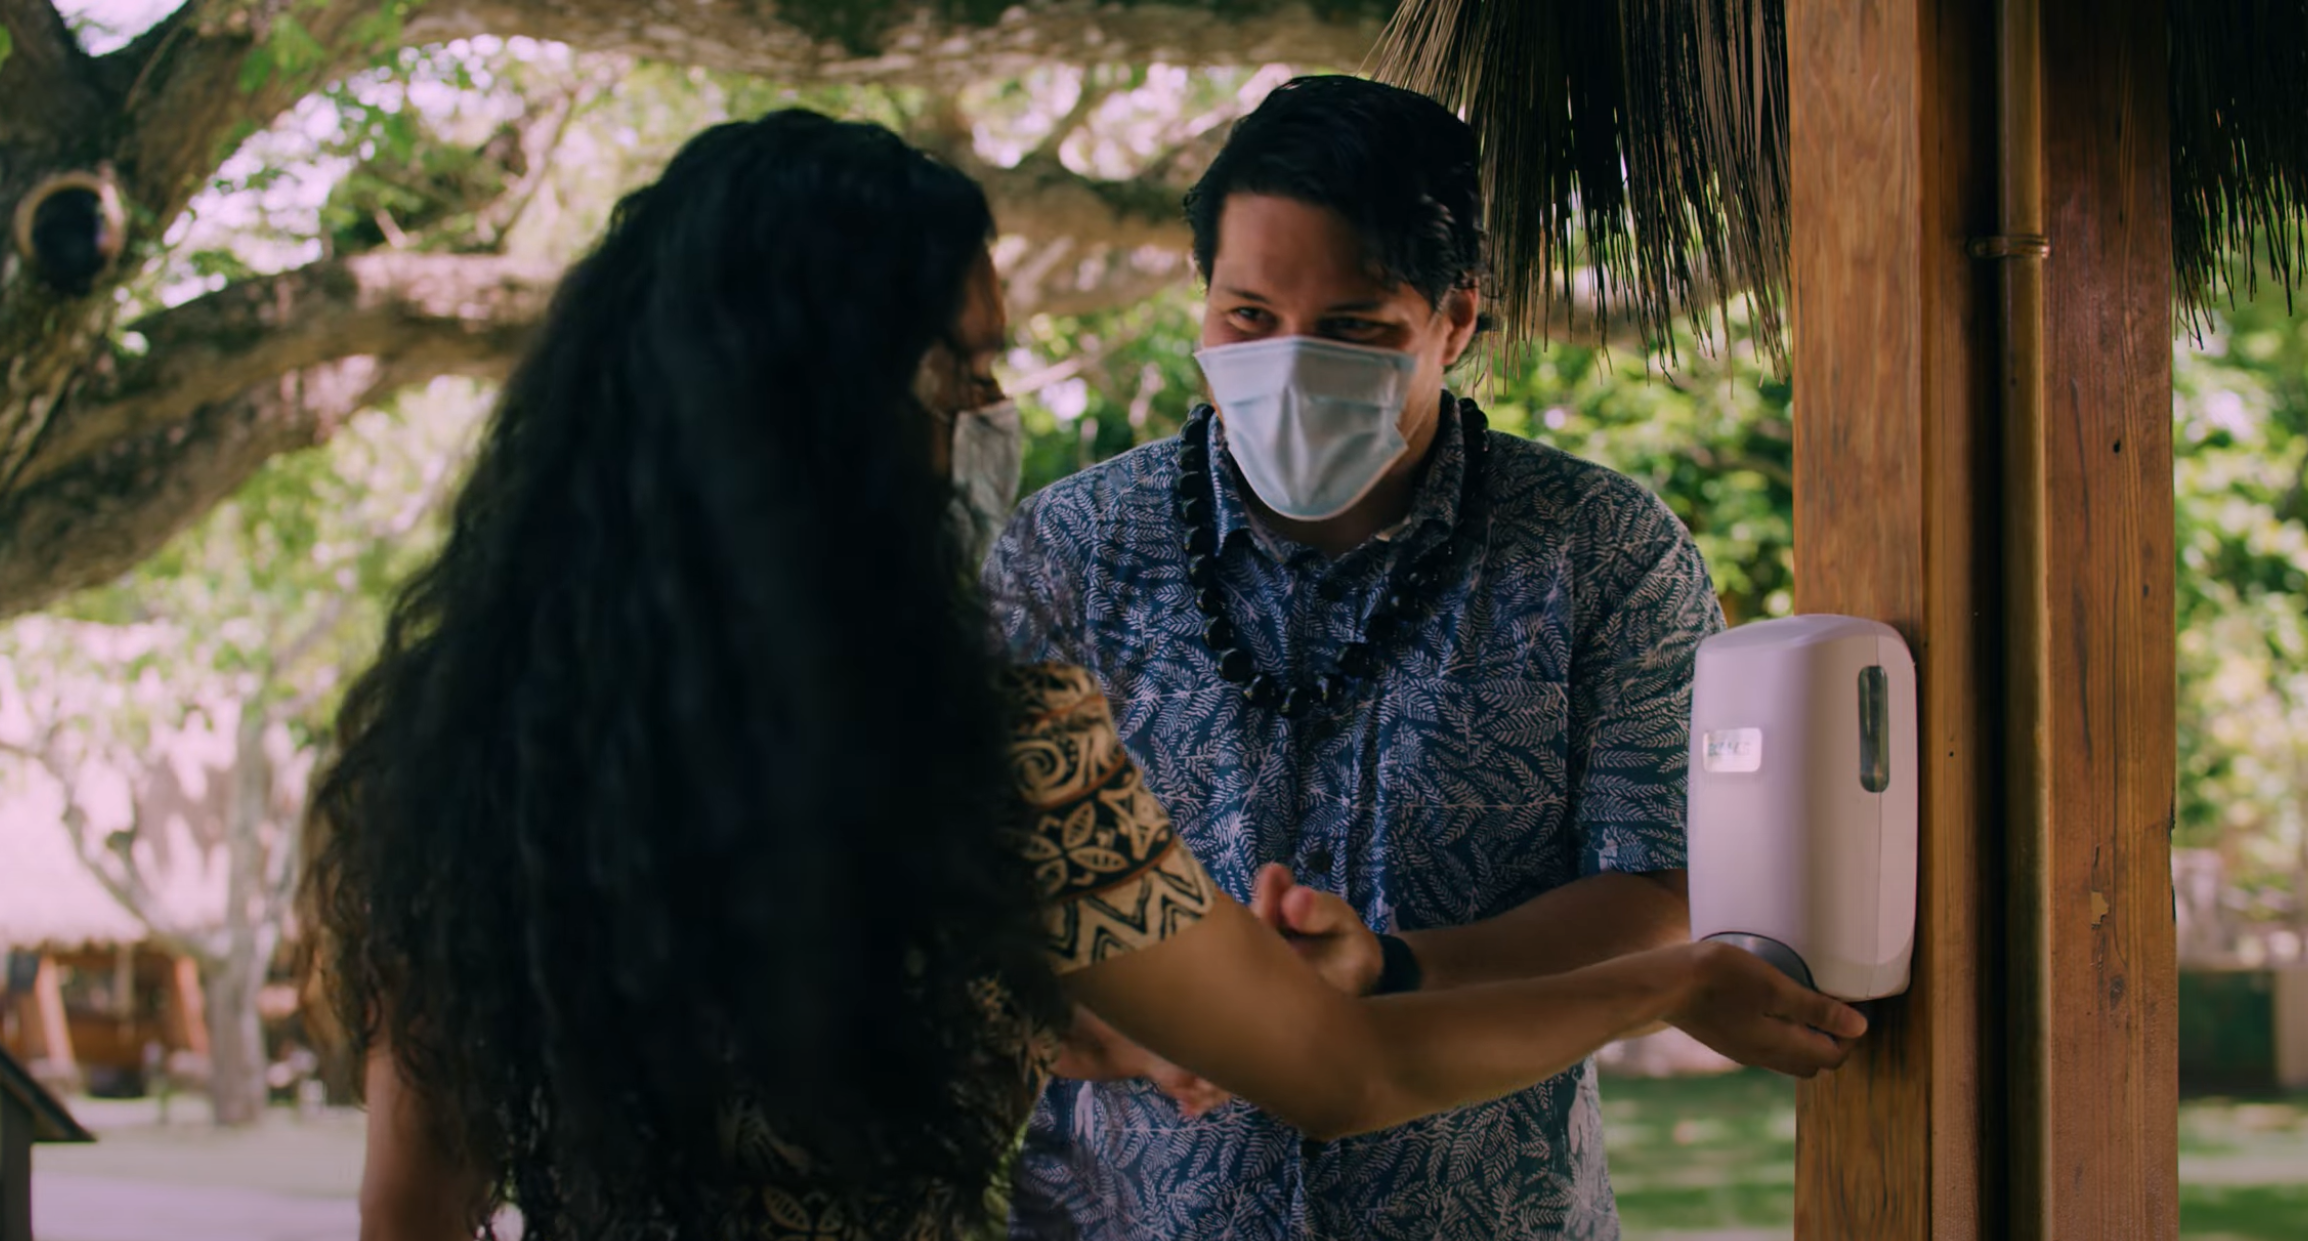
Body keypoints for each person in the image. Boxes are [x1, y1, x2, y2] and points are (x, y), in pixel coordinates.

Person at [308, 109, 1863, 1241]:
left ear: (1458, 323)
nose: (988, 413)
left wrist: (1009, 996)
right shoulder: (989, 743)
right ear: (849, 410)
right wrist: (1675, 983)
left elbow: (417, 1206)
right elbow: (1335, 1067)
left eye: (1353, 326)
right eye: (965, 373)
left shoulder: (454, 759)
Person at [983, 75, 1843, 1239]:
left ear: (1457, 320)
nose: (1287, 365)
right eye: (1245, 317)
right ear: (1202, 302)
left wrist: (1391, 965)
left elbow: (1661, 884)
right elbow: (980, 885)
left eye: (1353, 329)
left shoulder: (1602, 552)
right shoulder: (1066, 551)